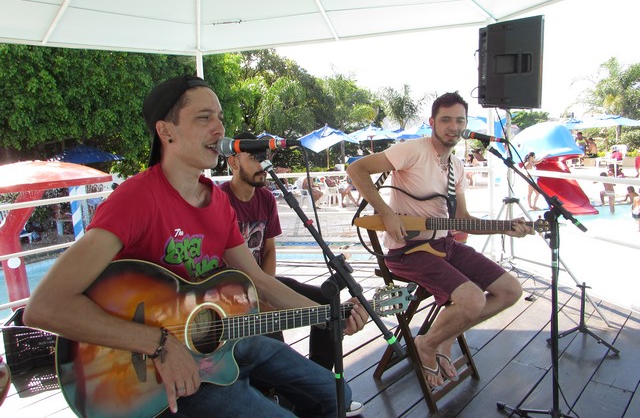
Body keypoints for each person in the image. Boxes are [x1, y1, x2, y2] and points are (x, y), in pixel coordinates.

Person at [24, 75, 367, 417]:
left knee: (337, 394)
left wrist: (329, 317)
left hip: (221, 348)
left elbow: (259, 281)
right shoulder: (136, 200)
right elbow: (45, 307)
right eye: (204, 118)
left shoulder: (217, 201)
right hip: (156, 376)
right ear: (166, 131)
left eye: (220, 118)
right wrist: (158, 344)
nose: (220, 130)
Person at [347, 92, 527, 388]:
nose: (453, 127)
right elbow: (357, 169)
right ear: (432, 122)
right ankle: (428, 344)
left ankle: (444, 335)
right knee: (472, 299)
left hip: (445, 245)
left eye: (460, 120)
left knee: (510, 290)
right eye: (446, 120)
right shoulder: (413, 150)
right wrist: (387, 212)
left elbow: (463, 219)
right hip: (408, 251)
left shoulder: (456, 166)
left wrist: (505, 227)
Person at [219, 131, 364, 416]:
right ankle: (275, 393)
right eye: (254, 157)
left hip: (263, 282)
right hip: (227, 296)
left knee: (326, 306)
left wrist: (266, 288)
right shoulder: (220, 200)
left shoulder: (266, 199)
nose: (263, 163)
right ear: (233, 163)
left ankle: (316, 383)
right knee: (270, 333)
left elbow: (269, 250)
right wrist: (259, 298)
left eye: (266, 156)